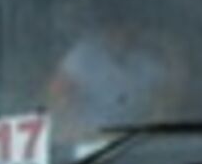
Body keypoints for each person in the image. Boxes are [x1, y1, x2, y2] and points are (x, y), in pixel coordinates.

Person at [47, 11, 185, 143]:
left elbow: (172, 95)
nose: (122, 34)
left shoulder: (144, 61)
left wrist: (171, 48)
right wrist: (75, 130)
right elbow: (55, 97)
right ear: (106, 29)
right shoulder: (85, 56)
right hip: (91, 140)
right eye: (116, 28)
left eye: (128, 28)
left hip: (135, 142)